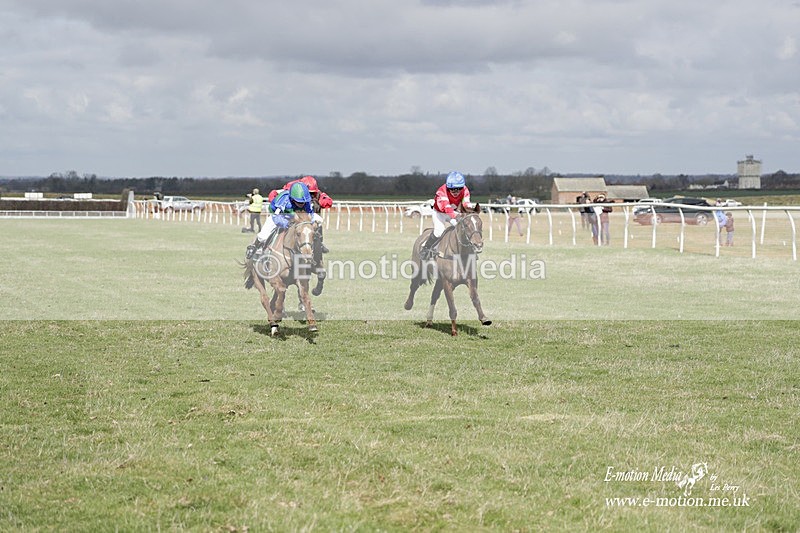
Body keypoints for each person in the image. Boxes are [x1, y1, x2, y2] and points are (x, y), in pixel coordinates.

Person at [245, 182, 314, 259]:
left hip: (293, 216)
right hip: (277, 215)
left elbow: (310, 216)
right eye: (299, 201)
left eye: (303, 202)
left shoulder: (307, 202)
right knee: (264, 235)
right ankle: (255, 246)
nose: (302, 204)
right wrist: (286, 223)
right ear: (292, 198)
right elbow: (276, 217)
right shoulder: (285, 200)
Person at [420, 171, 473, 260]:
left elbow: (467, 204)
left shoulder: (465, 190)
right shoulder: (441, 191)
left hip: (453, 212)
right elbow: (447, 208)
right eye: (452, 189)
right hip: (440, 213)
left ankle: (468, 250)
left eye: (459, 188)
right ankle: (426, 248)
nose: (456, 192)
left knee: (463, 228)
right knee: (439, 232)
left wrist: (468, 214)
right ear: (448, 188)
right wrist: (457, 216)